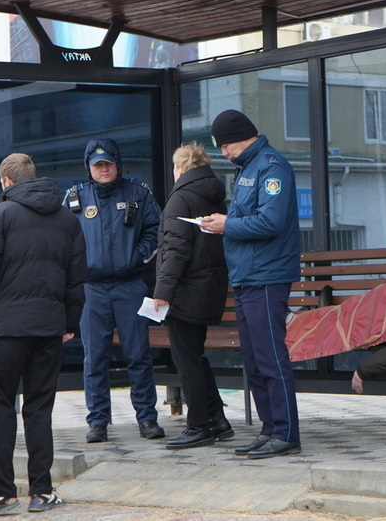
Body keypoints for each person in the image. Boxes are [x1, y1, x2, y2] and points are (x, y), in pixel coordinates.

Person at [0, 153, 87, 516]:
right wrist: (69, 323)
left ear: (7, 181)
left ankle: (1, 493)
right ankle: (42, 492)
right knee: (39, 408)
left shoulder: (0, 215)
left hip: (7, 328)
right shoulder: (67, 219)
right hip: (48, 328)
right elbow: (76, 278)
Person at [200, 110, 302, 460]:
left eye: (225, 145)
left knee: (270, 357)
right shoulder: (247, 167)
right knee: (255, 360)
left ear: (242, 137)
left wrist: (226, 225)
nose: (224, 152)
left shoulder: (272, 167)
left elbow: (270, 222)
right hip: (248, 275)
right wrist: (224, 222)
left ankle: (285, 433)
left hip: (267, 276)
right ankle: (269, 429)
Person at [68, 138, 164, 442]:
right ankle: (98, 422)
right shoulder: (74, 197)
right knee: (94, 358)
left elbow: (156, 230)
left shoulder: (138, 193)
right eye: (97, 165)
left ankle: (147, 418)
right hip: (91, 290)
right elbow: (62, 237)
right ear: (88, 168)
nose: (104, 169)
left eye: (108, 163)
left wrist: (136, 258)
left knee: (138, 355)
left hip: (129, 286)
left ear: (117, 164)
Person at [153, 143, 234, 449]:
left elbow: (176, 250)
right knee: (195, 357)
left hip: (185, 291)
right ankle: (217, 420)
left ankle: (198, 425)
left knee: (187, 361)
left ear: (180, 169)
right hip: (208, 288)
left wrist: (163, 292)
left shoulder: (181, 198)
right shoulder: (213, 195)